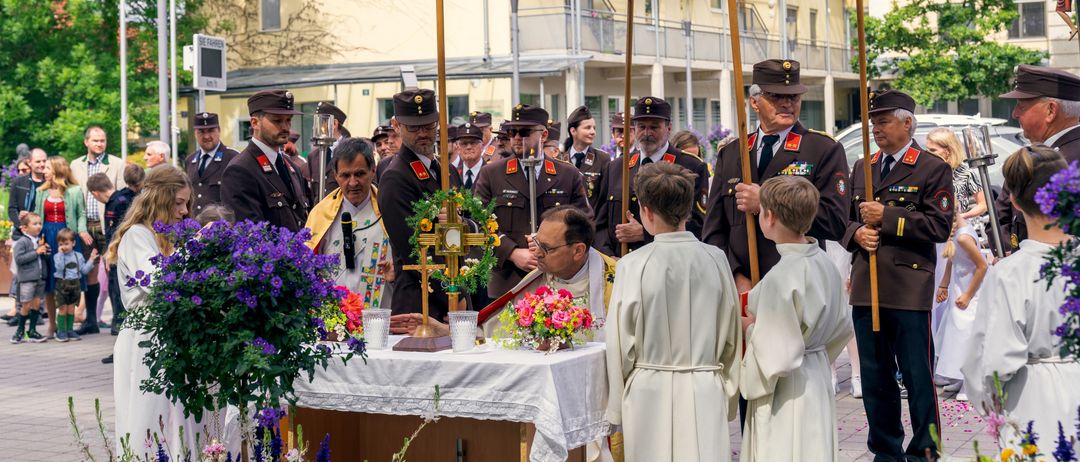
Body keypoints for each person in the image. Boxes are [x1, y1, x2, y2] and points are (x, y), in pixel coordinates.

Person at [842, 89, 953, 461]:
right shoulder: (863, 167)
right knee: (875, 378)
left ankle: (925, 446)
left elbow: (939, 226)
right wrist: (857, 233)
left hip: (908, 285)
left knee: (917, 374)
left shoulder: (930, 167)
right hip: (867, 284)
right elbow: (842, 218)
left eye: (884, 120)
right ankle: (885, 448)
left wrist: (886, 218)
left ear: (908, 122)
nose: (876, 128)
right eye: (873, 122)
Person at [604, 162, 741, 462]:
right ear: (689, 208)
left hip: (649, 391)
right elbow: (731, 333)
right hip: (705, 385)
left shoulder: (633, 265)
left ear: (646, 211)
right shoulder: (716, 259)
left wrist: (615, 405)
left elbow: (619, 341)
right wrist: (729, 391)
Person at [963, 145, 1080, 448]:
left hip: (1036, 401)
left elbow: (992, 362)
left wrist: (989, 405)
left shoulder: (1010, 274)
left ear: (1013, 200)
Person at [702, 59, 850, 294]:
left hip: (797, 286)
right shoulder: (733, 154)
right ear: (754, 102)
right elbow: (713, 229)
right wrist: (735, 275)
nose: (786, 104)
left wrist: (766, 202)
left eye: (793, 97)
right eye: (776, 96)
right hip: (741, 288)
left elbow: (835, 222)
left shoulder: (822, 150)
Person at [739, 176, 853, 461]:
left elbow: (778, 355)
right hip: (815, 372)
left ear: (770, 216)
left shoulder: (781, 276)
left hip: (786, 388)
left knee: (786, 449)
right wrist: (815, 353)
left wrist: (751, 328)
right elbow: (843, 326)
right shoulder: (825, 263)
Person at [111, 165, 206, 454]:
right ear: (159, 200)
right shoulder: (136, 236)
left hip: (168, 340)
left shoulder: (164, 240)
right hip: (144, 342)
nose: (185, 211)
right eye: (178, 203)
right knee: (149, 424)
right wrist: (197, 246)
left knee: (176, 423)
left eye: (187, 203)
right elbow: (159, 283)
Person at [474, 103, 591, 298]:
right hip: (509, 280)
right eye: (512, 132)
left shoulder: (567, 174)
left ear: (544, 135)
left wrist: (552, 243)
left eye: (524, 132)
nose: (517, 138)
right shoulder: (492, 174)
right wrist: (512, 252)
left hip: (558, 281)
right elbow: (478, 222)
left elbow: (585, 222)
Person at [377, 88, 465, 322]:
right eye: (413, 127)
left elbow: (464, 228)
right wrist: (452, 295)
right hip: (422, 302)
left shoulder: (447, 171)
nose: (423, 133)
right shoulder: (396, 177)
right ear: (397, 126)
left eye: (428, 125)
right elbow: (413, 251)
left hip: (457, 293)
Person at [593, 96, 709, 256]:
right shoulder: (616, 167)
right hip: (620, 265)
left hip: (668, 262)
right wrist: (610, 258)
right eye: (641, 127)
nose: (647, 133)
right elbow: (600, 224)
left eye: (654, 127)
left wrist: (646, 234)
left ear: (668, 128)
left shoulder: (690, 166)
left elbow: (700, 226)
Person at [994, 65, 1080, 251]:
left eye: (1021, 106)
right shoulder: (1029, 156)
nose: (1015, 113)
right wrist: (1012, 256)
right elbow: (998, 218)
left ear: (1051, 111)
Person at [305, 137, 394, 309]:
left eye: (359, 174)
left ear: (373, 171)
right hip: (334, 321)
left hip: (381, 317)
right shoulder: (320, 214)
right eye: (345, 175)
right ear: (335, 176)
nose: (353, 183)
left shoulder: (389, 209)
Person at [221, 89, 310, 232]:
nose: (285, 127)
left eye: (288, 120)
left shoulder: (292, 167)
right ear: (255, 123)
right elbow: (251, 235)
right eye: (277, 121)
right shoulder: (241, 170)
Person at [71, 125, 126, 335]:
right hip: (85, 226)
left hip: (107, 224)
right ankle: (91, 320)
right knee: (90, 272)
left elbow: (119, 196)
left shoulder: (116, 164)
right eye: (95, 140)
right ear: (86, 142)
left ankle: (117, 321)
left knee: (111, 269)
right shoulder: (76, 164)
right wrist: (78, 226)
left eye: (102, 140)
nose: (99, 144)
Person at [932, 214, 987, 401]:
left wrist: (968, 295)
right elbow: (951, 258)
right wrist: (944, 284)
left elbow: (982, 266)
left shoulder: (963, 237)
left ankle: (970, 381)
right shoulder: (956, 235)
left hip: (969, 288)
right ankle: (959, 374)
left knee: (965, 335)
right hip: (959, 285)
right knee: (954, 333)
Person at [35, 156, 88, 338]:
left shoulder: (74, 191)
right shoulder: (41, 191)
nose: (44, 171)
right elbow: (37, 215)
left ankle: (68, 326)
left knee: (71, 281)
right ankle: (52, 324)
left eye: (48, 168)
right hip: (48, 237)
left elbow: (81, 214)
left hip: (68, 237)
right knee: (51, 281)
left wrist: (81, 231)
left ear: (57, 170)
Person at [6, 148, 48, 325]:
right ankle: (19, 312)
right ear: (29, 162)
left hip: (43, 233)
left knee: (40, 274)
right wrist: (21, 224)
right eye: (38, 161)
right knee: (20, 274)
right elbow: (11, 209)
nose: (41, 164)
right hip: (21, 234)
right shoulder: (19, 181)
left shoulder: (49, 182)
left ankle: (37, 312)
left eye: (44, 161)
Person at [187, 112, 241, 217]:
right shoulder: (190, 160)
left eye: (211, 131)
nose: (206, 136)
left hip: (220, 225)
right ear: (195, 133)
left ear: (219, 131)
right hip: (195, 225)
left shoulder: (233, 158)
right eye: (201, 132)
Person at [926, 128, 987, 220]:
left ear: (948, 151)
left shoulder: (965, 173)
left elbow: (983, 205)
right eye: (927, 150)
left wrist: (962, 217)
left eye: (933, 150)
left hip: (957, 228)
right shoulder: (926, 171)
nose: (927, 154)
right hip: (931, 226)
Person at [52, 228, 98, 342]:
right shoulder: (57, 256)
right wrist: (60, 254)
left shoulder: (78, 256)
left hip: (75, 285)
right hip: (62, 284)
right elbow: (60, 267)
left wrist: (91, 260)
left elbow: (84, 270)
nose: (64, 246)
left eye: (67, 243)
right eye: (61, 244)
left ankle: (69, 330)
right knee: (63, 309)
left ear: (73, 243)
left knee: (71, 309)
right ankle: (61, 331)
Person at [10, 212, 48, 344]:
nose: (39, 226)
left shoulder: (40, 240)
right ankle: (20, 331)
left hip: (40, 277)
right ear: (24, 228)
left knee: (37, 304)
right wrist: (36, 252)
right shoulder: (22, 242)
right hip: (27, 279)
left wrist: (45, 252)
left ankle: (32, 331)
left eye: (40, 223)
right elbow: (19, 259)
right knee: (25, 305)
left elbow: (42, 258)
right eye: (35, 224)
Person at [564, 105, 611, 211]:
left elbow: (604, 199)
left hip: (592, 223)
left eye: (594, 128)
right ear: (573, 131)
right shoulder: (560, 159)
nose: (593, 132)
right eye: (587, 128)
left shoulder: (603, 159)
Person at [306, 101, 349, 200]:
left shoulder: (350, 151)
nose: (314, 127)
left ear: (334, 124)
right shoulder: (313, 156)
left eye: (319, 122)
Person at [454, 123, 485, 191]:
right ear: (458, 147)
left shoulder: (491, 172)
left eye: (473, 143)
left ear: (482, 146)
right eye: (464, 143)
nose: (468, 147)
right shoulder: (453, 173)